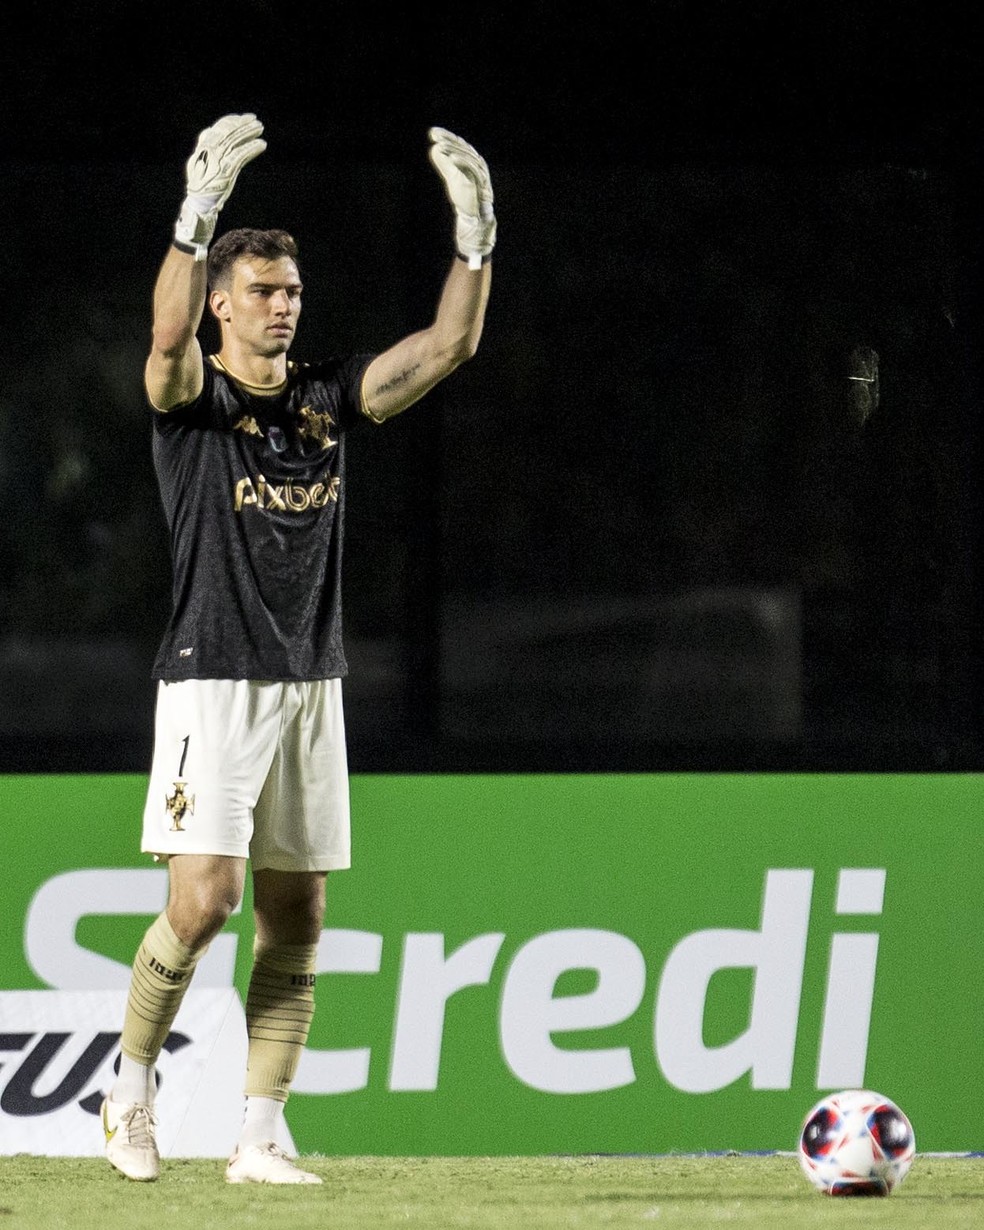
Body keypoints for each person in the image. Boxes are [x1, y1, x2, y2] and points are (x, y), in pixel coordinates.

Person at [101, 113, 494, 1185]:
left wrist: (476, 240)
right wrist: (195, 223)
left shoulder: (324, 399)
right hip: (209, 681)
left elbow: (447, 347)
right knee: (206, 900)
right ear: (227, 302)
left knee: (298, 911)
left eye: (294, 294)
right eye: (265, 293)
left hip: (309, 683)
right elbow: (165, 346)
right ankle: (129, 1086)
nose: (284, 308)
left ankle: (260, 1131)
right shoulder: (195, 405)